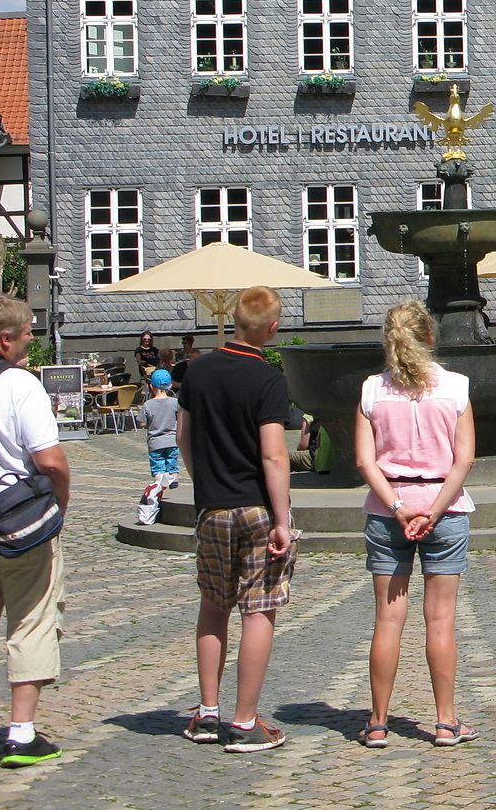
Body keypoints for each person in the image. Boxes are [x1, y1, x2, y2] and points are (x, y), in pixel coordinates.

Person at [176, 285, 295, 754]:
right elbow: (273, 455)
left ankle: (207, 714)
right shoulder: (268, 380)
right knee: (258, 608)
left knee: (213, 605)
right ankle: (245, 722)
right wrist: (282, 519)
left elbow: (183, 435)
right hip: (255, 508)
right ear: (272, 327)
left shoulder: (198, 370)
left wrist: (203, 481)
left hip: (211, 507)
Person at [354, 301, 478, 748]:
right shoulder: (456, 387)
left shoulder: (372, 390)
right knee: (440, 620)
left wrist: (399, 506)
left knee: (387, 621)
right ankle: (446, 722)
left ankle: (378, 721)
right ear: (430, 337)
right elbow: (464, 458)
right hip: (445, 507)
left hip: (389, 510)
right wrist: (436, 508)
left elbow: (364, 460)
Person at [0, 295, 70, 768]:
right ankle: (21, 732)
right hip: (18, 522)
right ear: (6, 340)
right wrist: (60, 501)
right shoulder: (19, 384)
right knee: (32, 618)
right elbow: (49, 459)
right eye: (27, 333)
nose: (33, 339)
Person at [141, 368, 181, 485]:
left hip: (155, 442)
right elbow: (180, 417)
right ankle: (174, 477)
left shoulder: (148, 405)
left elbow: (141, 423)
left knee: (157, 466)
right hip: (172, 441)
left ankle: (159, 481)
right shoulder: (175, 402)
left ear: (151, 386)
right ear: (170, 385)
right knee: (172, 462)